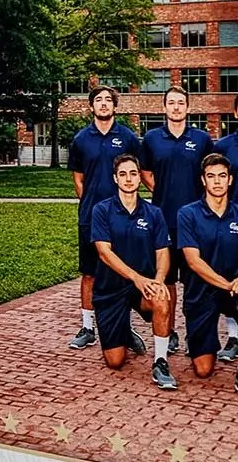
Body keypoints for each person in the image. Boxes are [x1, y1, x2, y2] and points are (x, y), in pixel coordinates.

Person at [91, 150, 179, 389]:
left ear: (140, 177)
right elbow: (104, 253)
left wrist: (159, 280)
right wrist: (137, 278)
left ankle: (160, 363)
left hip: (142, 289)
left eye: (133, 173)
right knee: (115, 361)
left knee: (162, 299)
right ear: (115, 178)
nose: (128, 178)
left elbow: (163, 253)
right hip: (110, 289)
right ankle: (124, 332)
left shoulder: (154, 213)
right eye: (123, 174)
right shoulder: (101, 210)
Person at [70, 87, 143, 349]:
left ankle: (125, 328)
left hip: (123, 218)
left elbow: (136, 173)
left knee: (124, 272)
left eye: (108, 100)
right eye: (98, 100)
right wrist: (93, 204)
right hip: (90, 217)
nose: (103, 104)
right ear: (91, 107)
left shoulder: (128, 138)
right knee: (90, 273)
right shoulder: (81, 139)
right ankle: (88, 328)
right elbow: (78, 179)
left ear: (115, 106)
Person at [146, 86, 212, 352]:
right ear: (164, 107)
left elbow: (209, 175)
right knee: (168, 281)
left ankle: (195, 334)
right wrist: (164, 194)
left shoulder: (202, 138)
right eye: (171, 103)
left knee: (196, 281)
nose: (175, 107)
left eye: (180, 103)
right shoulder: (151, 138)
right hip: (164, 219)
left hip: (195, 223)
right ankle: (169, 332)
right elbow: (146, 173)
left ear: (188, 107)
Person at [177, 151, 238, 386]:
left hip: (234, 290)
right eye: (211, 176)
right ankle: (197, 338)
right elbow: (193, 261)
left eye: (222, 176)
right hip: (201, 292)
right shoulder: (188, 214)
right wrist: (229, 285)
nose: (217, 181)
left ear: (230, 179)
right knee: (203, 370)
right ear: (203, 180)